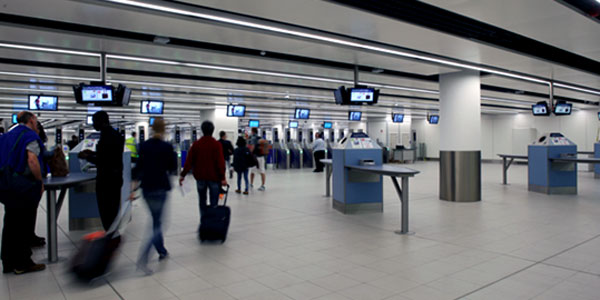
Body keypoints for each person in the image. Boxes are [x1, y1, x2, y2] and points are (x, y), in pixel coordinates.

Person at [0, 111, 46, 274]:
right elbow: (32, 160)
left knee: (11, 223)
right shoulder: (29, 136)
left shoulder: (6, 136)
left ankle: (7, 262)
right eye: (36, 120)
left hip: (6, 185)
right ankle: (22, 263)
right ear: (32, 120)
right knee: (23, 224)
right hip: (23, 186)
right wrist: (40, 181)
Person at [131, 118, 177, 275]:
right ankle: (143, 257)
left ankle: (162, 250)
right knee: (158, 224)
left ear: (151, 128)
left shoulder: (143, 146)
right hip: (161, 188)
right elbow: (172, 168)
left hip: (146, 188)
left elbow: (138, 168)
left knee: (155, 220)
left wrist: (132, 190)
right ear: (164, 129)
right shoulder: (167, 147)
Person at [78, 111, 124, 231]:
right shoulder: (115, 134)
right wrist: (92, 153)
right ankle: (113, 233)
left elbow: (105, 160)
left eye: (94, 122)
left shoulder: (107, 136)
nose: (93, 125)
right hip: (116, 177)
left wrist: (87, 157)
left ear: (100, 121)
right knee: (113, 210)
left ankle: (110, 234)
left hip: (107, 180)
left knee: (106, 211)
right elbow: (109, 155)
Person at [179, 121, 227, 227]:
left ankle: (203, 221)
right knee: (214, 202)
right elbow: (220, 162)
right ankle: (213, 223)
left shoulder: (196, 144)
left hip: (200, 178)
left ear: (202, 130)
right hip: (214, 178)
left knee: (202, 201)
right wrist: (223, 178)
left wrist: (183, 175)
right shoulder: (216, 144)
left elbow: (188, 161)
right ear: (212, 130)